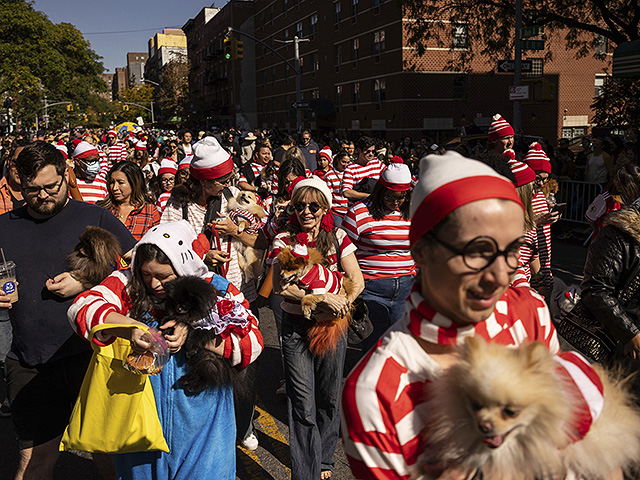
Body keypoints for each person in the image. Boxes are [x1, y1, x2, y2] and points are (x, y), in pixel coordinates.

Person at [341, 151, 561, 479]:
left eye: (512, 250)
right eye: (477, 251)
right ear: (421, 250)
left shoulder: (529, 314)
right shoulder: (375, 392)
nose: (500, 276)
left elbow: (574, 439)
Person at [69, 220, 263, 480]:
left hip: (203, 426)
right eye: (147, 274)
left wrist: (194, 332)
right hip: (141, 421)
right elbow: (81, 309)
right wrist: (129, 327)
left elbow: (252, 344)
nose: (153, 283)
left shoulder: (216, 288)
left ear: (182, 266)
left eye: (163, 276)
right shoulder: (128, 282)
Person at [0, 141, 136, 480]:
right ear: (20, 183)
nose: (43, 195)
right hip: (29, 360)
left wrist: (86, 281)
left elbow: (140, 270)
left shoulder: (97, 217)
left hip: (91, 355)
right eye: (33, 190)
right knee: (34, 459)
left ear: (66, 175)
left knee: (106, 452)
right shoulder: (4, 226)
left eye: (51, 186)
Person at [272, 176, 364, 480]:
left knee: (327, 397)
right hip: (296, 327)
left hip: (332, 328)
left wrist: (343, 301)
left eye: (314, 205)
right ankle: (305, 473)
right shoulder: (284, 240)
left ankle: (324, 460)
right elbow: (280, 287)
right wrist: (320, 297)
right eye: (300, 205)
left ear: (325, 207)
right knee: (302, 403)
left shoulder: (338, 236)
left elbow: (358, 280)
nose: (307, 211)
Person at [342, 157, 415, 352]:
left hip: (407, 288)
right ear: (380, 191)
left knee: (401, 347)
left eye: (401, 198)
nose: (395, 203)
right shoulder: (359, 212)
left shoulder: (414, 211)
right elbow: (345, 253)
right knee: (375, 347)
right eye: (390, 197)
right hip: (371, 288)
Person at [523, 142, 560, 295]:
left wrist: (549, 209)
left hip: (542, 254)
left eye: (545, 179)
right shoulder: (521, 194)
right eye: (538, 179)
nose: (542, 183)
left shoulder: (538, 194)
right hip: (527, 258)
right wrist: (538, 221)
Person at [97, 161, 160, 241]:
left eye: (120, 182)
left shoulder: (150, 211)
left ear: (134, 183)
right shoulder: (103, 209)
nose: (114, 188)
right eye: (112, 182)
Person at [342, 136, 386, 205]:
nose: (371, 154)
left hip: (375, 208)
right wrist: (370, 196)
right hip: (358, 208)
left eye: (373, 151)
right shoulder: (350, 168)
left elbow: (388, 175)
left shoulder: (377, 162)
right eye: (368, 151)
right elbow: (346, 192)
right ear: (359, 150)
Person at [323, 151, 351, 227]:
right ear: (338, 160)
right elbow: (328, 195)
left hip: (349, 211)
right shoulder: (329, 175)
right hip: (335, 212)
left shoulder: (351, 173)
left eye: (348, 162)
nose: (346, 165)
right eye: (343, 162)